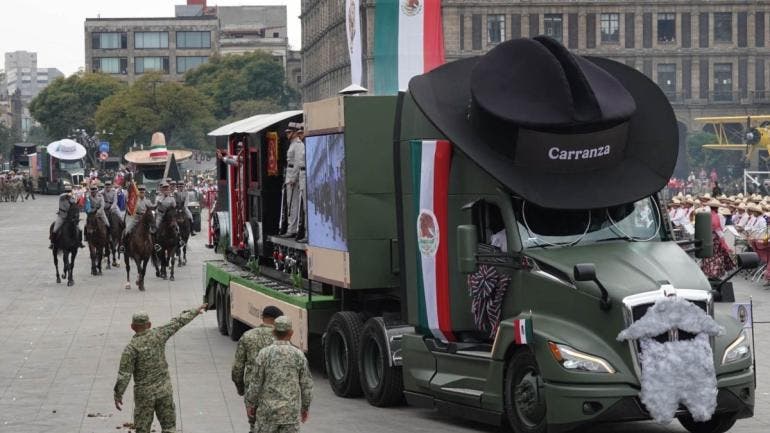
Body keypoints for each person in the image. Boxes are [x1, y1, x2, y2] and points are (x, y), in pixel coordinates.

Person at [113, 304, 207, 433]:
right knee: (169, 427)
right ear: (149, 324)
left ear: (132, 327)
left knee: (142, 429)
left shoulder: (131, 348)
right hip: (164, 391)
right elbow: (178, 322)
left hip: (144, 395)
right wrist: (195, 311)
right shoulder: (159, 334)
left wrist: (118, 394)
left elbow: (124, 374)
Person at [246, 316, 313, 433]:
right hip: (289, 414)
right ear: (291, 333)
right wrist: (305, 407)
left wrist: (251, 403)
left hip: (267, 414)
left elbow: (256, 382)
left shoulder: (264, 354)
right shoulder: (298, 355)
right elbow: (306, 385)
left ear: (273, 332)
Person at [232, 306, 284, 432]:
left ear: (262, 318)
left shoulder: (248, 336)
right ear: (278, 320)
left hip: (254, 392)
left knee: (255, 425)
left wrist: (241, 389)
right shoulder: (282, 338)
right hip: (278, 392)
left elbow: (237, 369)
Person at [281, 123, 307, 242]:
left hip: (294, 176)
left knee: (293, 204)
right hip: (291, 174)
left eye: (289, 132)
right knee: (290, 203)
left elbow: (297, 162)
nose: (287, 134)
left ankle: (292, 229)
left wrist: (293, 178)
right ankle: (291, 228)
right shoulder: (293, 144)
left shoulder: (297, 144)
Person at [49, 184, 84, 249]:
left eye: (69, 191)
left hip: (69, 217)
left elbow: (74, 207)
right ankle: (52, 243)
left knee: (79, 229)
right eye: (66, 191)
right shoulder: (61, 198)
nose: (68, 192)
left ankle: (80, 242)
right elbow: (62, 195)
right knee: (55, 229)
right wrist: (68, 194)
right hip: (61, 216)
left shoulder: (72, 199)